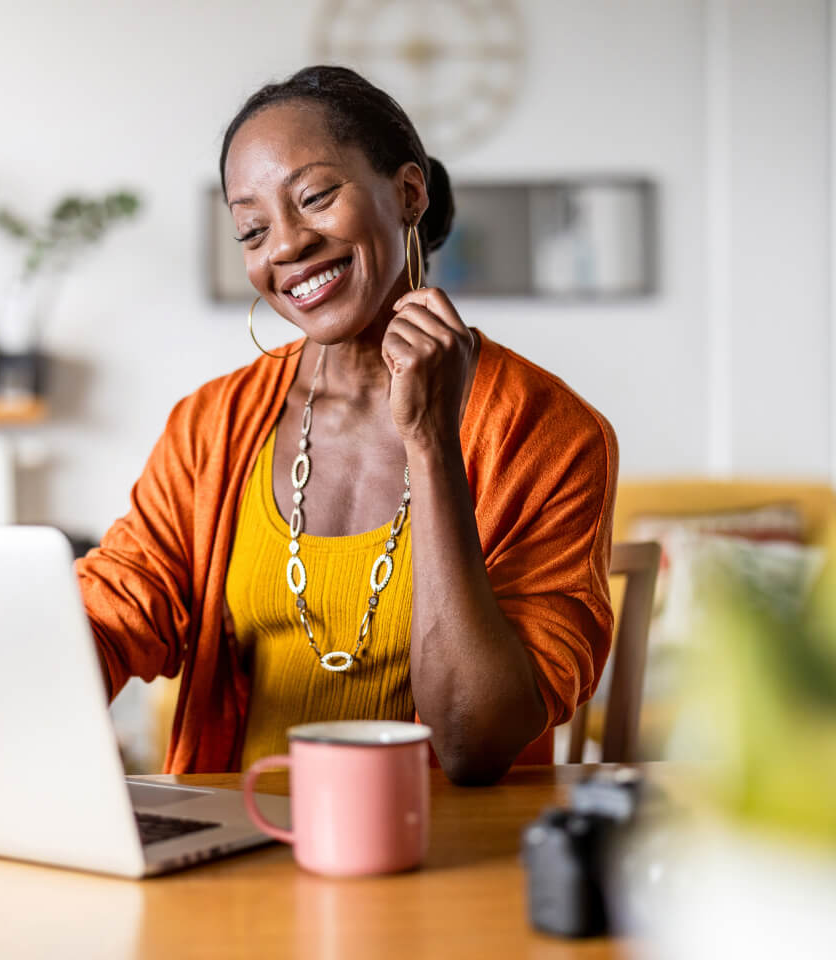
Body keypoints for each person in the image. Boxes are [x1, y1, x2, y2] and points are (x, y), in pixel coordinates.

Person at [76, 65, 617, 785]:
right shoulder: (213, 424)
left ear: (409, 193)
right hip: (240, 846)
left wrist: (431, 443)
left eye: (316, 197)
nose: (287, 246)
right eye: (252, 229)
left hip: (449, 857)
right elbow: (117, 612)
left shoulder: (551, 433)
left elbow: (472, 737)